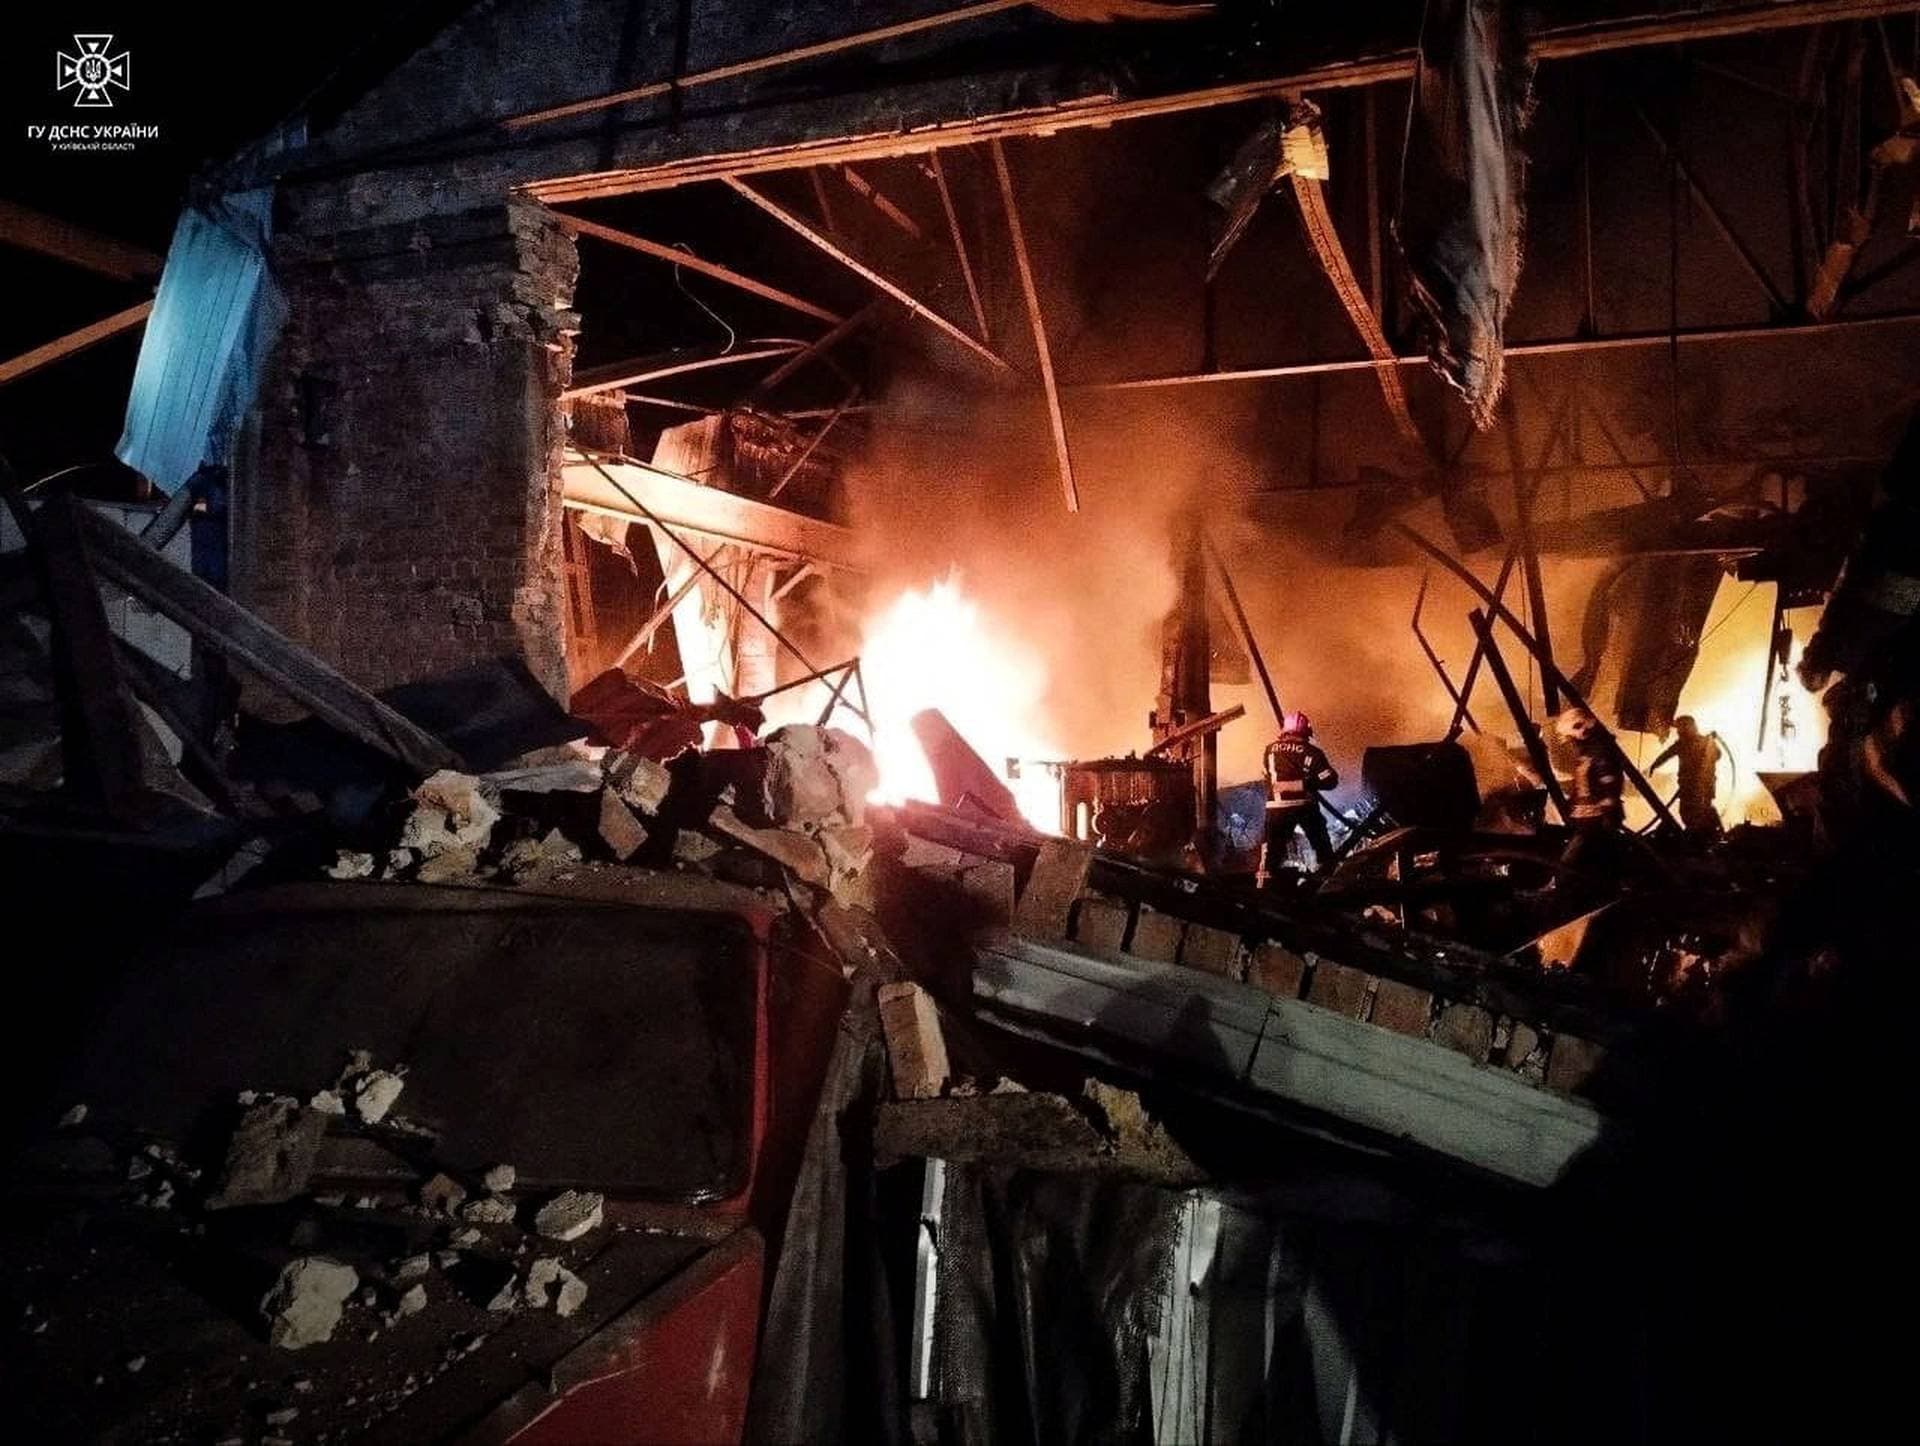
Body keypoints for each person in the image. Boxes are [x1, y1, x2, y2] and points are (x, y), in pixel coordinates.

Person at [1260, 712, 1338, 881]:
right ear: (1305, 732)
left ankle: (1265, 887)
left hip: (1276, 809)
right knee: (1321, 844)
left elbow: (1266, 775)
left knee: (1272, 854)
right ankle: (1328, 879)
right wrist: (1305, 784)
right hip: (1304, 806)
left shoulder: (1269, 750)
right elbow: (1331, 780)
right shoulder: (1313, 753)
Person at [1557, 706, 1625, 871]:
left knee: (1580, 856)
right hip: (1589, 815)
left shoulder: (1599, 750)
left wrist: (1608, 811)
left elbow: (1608, 779)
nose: (1570, 742)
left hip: (1596, 817)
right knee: (1593, 856)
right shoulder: (1590, 751)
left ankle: (1565, 883)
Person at [1650, 715, 1724, 837]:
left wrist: (1710, 744)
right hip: (1688, 787)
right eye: (1679, 728)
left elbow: (1717, 755)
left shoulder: (1704, 742)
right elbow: (1667, 754)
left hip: (1703, 787)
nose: (1679, 731)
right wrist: (1654, 765)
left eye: (1681, 727)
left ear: (1690, 727)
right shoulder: (1682, 744)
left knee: (1702, 812)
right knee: (1690, 813)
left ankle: (1707, 836)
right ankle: (1703, 835)